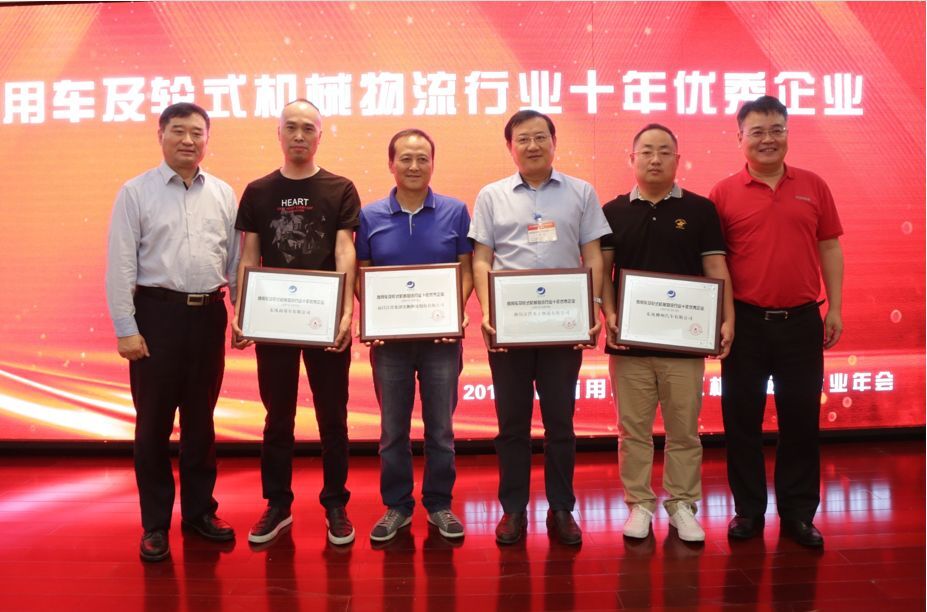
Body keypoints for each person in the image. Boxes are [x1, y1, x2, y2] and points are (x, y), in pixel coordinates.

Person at [105, 102, 240, 562]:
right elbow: (121, 265)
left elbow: (234, 264)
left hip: (208, 317)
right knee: (153, 427)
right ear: (160, 134)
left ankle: (200, 513)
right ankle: (155, 524)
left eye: (197, 132)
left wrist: (242, 314)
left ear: (207, 139)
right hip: (156, 318)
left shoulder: (223, 193)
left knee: (202, 423)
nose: (188, 140)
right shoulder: (135, 192)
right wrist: (126, 328)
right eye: (178, 131)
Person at [469, 109, 611, 546]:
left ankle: (562, 508)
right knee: (511, 425)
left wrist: (594, 306)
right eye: (523, 139)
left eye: (540, 137)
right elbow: (481, 259)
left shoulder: (581, 192)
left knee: (560, 424)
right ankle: (513, 509)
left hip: (562, 327)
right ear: (510, 146)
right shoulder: (492, 195)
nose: (532, 146)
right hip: (510, 329)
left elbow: (593, 254)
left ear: (553, 141)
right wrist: (489, 312)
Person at [710, 95, 844, 548]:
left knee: (801, 420)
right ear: (740, 138)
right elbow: (714, 263)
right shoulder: (723, 193)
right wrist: (721, 319)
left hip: (802, 321)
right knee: (741, 421)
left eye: (776, 130)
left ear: (787, 133)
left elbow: (830, 246)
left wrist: (835, 307)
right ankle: (748, 511)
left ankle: (799, 514)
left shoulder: (813, 185)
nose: (768, 139)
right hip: (745, 323)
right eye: (758, 131)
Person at [232, 99, 360, 546]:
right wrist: (242, 311)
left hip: (325, 320)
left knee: (333, 416)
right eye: (291, 127)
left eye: (308, 127)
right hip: (275, 320)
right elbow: (250, 255)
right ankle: (278, 504)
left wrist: (347, 312)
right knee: (277, 416)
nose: (300, 135)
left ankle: (336, 504)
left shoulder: (340, 188)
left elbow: (344, 250)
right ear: (279, 134)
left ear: (320, 135)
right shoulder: (258, 191)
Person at [600, 124, 735, 543]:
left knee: (684, 431)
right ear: (632, 159)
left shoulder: (700, 209)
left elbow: (715, 268)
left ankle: (681, 504)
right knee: (633, 431)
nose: (654, 159)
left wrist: (727, 318)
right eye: (646, 151)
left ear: (678, 160)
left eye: (663, 152)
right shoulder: (613, 211)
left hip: (685, 343)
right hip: (629, 344)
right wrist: (610, 313)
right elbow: (604, 272)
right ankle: (639, 504)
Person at [355, 129, 473, 542]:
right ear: (391, 164)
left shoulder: (455, 211)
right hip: (390, 346)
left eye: (423, 158)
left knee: (440, 430)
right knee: (393, 431)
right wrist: (376, 317)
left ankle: (439, 503)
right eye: (405, 158)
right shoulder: (369, 216)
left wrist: (453, 312)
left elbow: (466, 270)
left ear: (432, 163)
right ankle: (398, 506)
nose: (414, 166)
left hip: (441, 343)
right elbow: (363, 274)